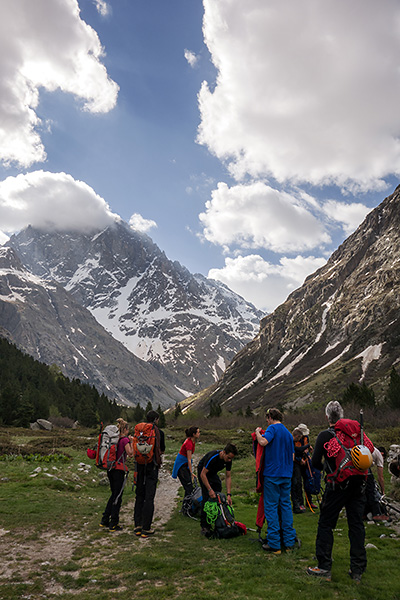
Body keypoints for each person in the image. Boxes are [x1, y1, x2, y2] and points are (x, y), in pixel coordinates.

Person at [307, 400, 371, 582]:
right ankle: (357, 569)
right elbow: (370, 452)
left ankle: (324, 565)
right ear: (342, 416)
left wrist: (328, 468)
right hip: (359, 484)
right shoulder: (357, 434)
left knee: (326, 523)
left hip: (336, 485)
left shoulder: (325, 436)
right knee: (356, 525)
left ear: (327, 417)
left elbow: (314, 463)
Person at [255, 408, 297, 554]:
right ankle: (289, 542)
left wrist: (257, 433)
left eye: (267, 418)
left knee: (271, 507)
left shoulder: (272, 428)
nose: (267, 421)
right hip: (287, 474)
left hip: (272, 474)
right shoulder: (288, 433)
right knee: (285, 506)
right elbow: (292, 457)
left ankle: (275, 544)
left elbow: (263, 442)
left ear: (271, 417)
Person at [133, 410, 165, 538]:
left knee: (139, 495)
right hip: (152, 467)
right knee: (149, 497)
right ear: (156, 419)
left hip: (139, 466)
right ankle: (146, 528)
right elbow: (162, 450)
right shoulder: (159, 432)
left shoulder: (139, 431)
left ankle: (137, 526)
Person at [100, 418, 133, 531]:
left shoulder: (115, 439)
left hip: (110, 468)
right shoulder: (124, 440)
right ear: (126, 429)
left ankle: (104, 520)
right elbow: (130, 453)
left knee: (114, 494)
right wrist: (132, 442)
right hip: (119, 469)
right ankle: (113, 523)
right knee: (118, 497)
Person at [197, 443, 238, 535]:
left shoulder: (228, 460)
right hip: (203, 472)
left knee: (218, 494)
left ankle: (218, 521)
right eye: (228, 457)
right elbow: (203, 474)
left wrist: (228, 495)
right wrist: (209, 489)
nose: (229, 460)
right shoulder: (213, 457)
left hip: (212, 473)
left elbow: (228, 476)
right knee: (206, 496)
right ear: (223, 453)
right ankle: (205, 526)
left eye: (231, 458)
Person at [172, 426, 201, 497]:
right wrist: (191, 473)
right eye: (198, 432)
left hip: (184, 465)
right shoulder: (189, 443)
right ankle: (187, 506)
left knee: (189, 488)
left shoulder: (191, 441)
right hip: (181, 466)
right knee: (189, 488)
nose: (199, 433)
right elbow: (189, 459)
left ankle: (187, 505)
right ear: (194, 434)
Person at [364, 447, 389, 521]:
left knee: (362, 492)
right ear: (382, 454)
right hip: (364, 467)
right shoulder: (378, 455)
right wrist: (383, 491)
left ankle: (364, 514)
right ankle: (376, 514)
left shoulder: (372, 450)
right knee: (372, 491)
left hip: (356, 467)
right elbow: (380, 477)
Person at [291, 427, 308, 513]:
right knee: (295, 484)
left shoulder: (293, 441)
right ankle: (296, 506)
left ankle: (300, 504)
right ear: (297, 436)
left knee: (298, 483)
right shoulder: (290, 441)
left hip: (295, 464)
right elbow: (296, 450)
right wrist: (307, 446)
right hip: (292, 465)